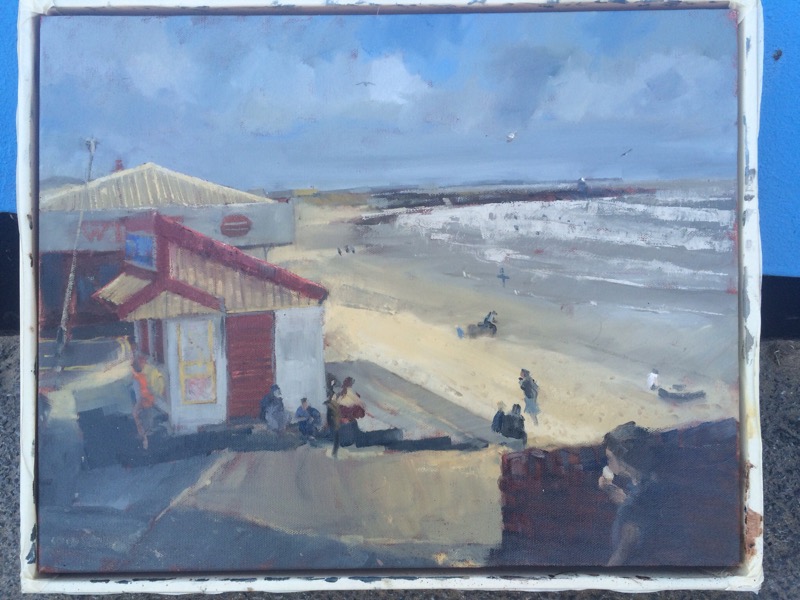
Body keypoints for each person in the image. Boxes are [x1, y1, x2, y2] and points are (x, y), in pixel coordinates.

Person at [598, 421, 661, 566]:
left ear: (624, 462)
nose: (608, 464)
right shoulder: (643, 482)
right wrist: (612, 491)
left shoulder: (634, 512)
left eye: (609, 459)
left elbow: (622, 553)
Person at [131, 355, 156, 450]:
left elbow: (137, 419)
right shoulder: (145, 431)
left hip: (144, 402)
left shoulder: (143, 431)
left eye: (144, 444)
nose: (146, 443)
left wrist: (136, 409)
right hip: (145, 402)